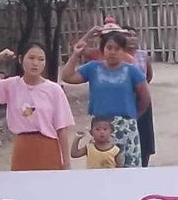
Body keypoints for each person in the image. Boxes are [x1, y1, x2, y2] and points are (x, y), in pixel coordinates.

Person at [0, 44, 75, 171]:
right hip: (22, 146)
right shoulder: (11, 85)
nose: (35, 63)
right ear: (20, 59)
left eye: (41, 59)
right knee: (21, 188)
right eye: (31, 58)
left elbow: (61, 128)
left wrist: (66, 162)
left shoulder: (54, 90)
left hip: (48, 146)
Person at [61, 31, 151, 168]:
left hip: (126, 127)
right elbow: (67, 77)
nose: (113, 52)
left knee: (128, 169)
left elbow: (145, 99)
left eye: (117, 49)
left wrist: (133, 118)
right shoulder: (93, 68)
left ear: (123, 51)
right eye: (109, 48)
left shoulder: (132, 71)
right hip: (101, 126)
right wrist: (75, 55)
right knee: (101, 166)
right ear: (103, 49)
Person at [122, 25, 156, 167]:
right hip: (124, 99)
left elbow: (148, 77)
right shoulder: (117, 55)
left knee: (144, 135)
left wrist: (140, 90)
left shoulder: (143, 55)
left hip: (142, 98)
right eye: (127, 35)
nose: (131, 38)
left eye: (134, 35)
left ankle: (144, 165)